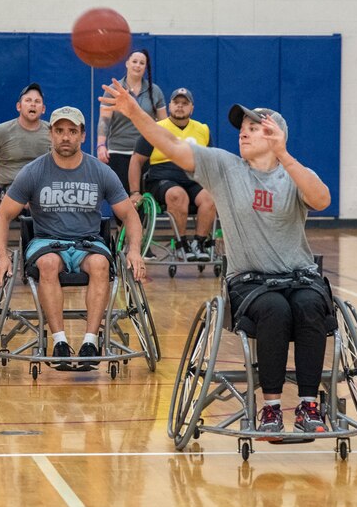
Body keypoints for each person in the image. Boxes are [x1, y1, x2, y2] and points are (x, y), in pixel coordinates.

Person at [101, 81, 333, 436]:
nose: (244, 133)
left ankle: (308, 404)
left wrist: (284, 155)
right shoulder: (225, 167)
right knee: (275, 310)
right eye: (243, 128)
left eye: (255, 128)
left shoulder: (294, 174)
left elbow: (321, 200)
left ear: (277, 136)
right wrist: (134, 112)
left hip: (298, 276)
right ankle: (271, 407)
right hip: (251, 282)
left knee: (311, 304)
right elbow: (173, 146)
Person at [0, 106, 145, 369]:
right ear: (50, 134)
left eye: (72, 131)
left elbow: (130, 216)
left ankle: (89, 343)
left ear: (82, 135)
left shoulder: (100, 171)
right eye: (60, 131)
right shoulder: (33, 171)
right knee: (48, 263)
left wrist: (134, 250)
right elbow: (2, 217)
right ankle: (60, 341)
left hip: (87, 241)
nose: (65, 137)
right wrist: (2, 256)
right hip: (46, 242)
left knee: (100, 264)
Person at [127, 87, 217, 261]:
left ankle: (198, 243)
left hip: (193, 178)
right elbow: (136, 161)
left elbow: (210, 162)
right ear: (169, 106)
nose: (180, 106)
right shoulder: (156, 129)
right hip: (163, 178)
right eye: (176, 102)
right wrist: (135, 192)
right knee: (177, 195)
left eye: (185, 103)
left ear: (192, 108)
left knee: (210, 198)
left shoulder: (202, 130)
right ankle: (180, 244)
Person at [0, 82, 51, 210]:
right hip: (11, 190)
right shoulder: (0, 132)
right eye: (28, 100)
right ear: (19, 106)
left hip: (45, 190)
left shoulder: (53, 133)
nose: (33, 104)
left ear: (43, 109)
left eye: (37, 101)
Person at [97, 50, 166, 191]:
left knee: (143, 202)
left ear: (145, 67)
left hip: (146, 154)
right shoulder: (114, 89)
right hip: (119, 151)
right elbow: (104, 120)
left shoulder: (155, 91)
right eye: (134, 61)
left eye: (142, 63)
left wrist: (165, 147)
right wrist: (101, 145)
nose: (137, 65)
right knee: (121, 200)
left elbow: (164, 124)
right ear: (127, 63)